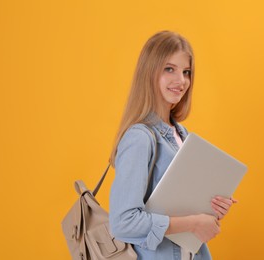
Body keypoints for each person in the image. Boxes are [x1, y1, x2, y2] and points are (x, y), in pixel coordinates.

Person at [109, 31, 237, 260]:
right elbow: (123, 222)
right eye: (170, 69)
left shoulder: (182, 135)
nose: (182, 81)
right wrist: (194, 222)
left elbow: (180, 207)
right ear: (149, 72)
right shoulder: (140, 137)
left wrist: (212, 209)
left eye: (186, 72)